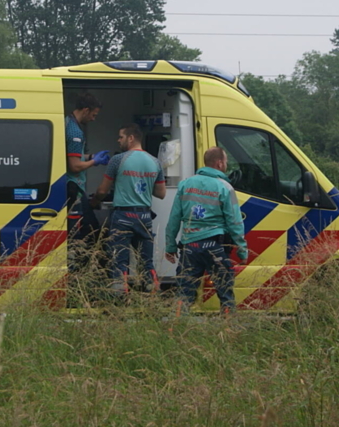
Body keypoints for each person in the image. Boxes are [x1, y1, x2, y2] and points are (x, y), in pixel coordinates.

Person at [164, 147, 248, 314]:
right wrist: (242, 250)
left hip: (189, 247)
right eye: (225, 162)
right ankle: (228, 329)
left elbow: (174, 219)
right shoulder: (225, 187)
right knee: (225, 293)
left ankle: (176, 327)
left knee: (183, 293)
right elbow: (235, 222)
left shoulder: (185, 184)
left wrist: (170, 247)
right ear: (219, 163)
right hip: (214, 246)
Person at [92, 123, 166, 296]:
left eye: (121, 137)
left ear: (131, 138)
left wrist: (93, 202)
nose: (118, 140)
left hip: (123, 216)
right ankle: (153, 296)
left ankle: (119, 299)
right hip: (144, 216)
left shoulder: (118, 160)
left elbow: (103, 190)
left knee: (119, 261)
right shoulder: (155, 162)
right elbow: (161, 193)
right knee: (147, 262)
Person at [65, 93, 109, 273]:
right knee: (92, 234)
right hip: (73, 187)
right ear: (85, 110)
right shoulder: (75, 132)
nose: (93, 118)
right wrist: (94, 162)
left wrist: (91, 156)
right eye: (94, 114)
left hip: (71, 186)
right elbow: (75, 166)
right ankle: (89, 276)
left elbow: (70, 156)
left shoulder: (67, 122)